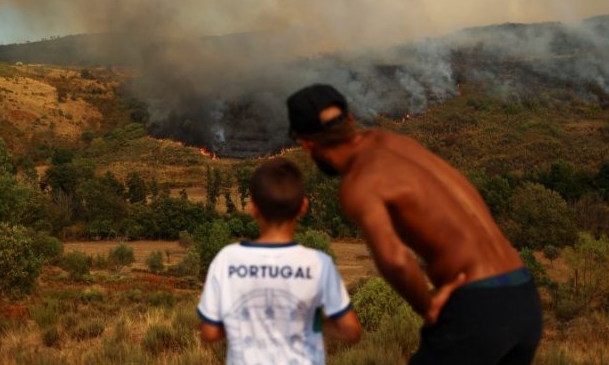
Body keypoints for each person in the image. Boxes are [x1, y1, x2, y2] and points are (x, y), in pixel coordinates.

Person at [286, 84, 542, 365]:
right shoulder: (395, 143)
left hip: (479, 306)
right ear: (350, 118)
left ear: (306, 143)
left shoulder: (359, 182)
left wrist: (428, 308)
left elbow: (394, 260)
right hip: (524, 294)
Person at [197, 157, 361, 365]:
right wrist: (310, 321)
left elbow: (209, 332)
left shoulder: (226, 260)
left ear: (252, 207)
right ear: (303, 207)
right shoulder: (319, 264)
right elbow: (351, 331)